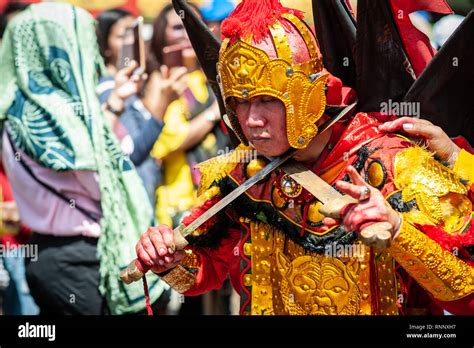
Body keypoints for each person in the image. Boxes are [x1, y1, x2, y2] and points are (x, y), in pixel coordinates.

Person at [134, 0, 473, 315]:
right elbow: (201, 272)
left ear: (307, 96)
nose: (252, 120)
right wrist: (168, 259)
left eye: (267, 100)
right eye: (240, 101)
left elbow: (467, 295)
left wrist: (400, 233)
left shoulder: (396, 164)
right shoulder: (243, 171)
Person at [0, 3, 168, 315]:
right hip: (72, 259)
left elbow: (96, 153)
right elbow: (100, 175)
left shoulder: (23, 104)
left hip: (63, 255)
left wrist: (116, 99)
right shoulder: (46, 111)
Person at [96, 8, 188, 204]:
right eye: (124, 36)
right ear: (105, 46)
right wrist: (163, 104)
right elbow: (133, 153)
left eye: (137, 34)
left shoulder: (131, 85)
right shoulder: (107, 90)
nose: (134, 43)